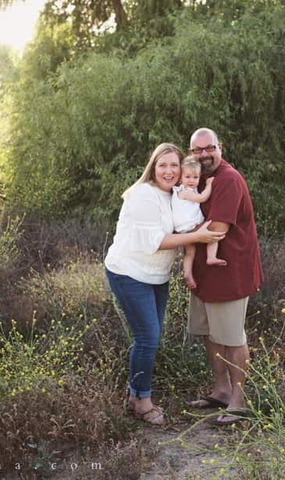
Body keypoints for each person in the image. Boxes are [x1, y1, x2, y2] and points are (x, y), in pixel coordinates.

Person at [105, 143, 226, 426]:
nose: (169, 171)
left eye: (174, 165)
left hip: (156, 275)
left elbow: (185, 221)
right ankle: (143, 403)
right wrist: (200, 238)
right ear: (153, 167)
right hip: (129, 272)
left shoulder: (173, 193)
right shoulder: (142, 195)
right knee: (148, 338)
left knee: (149, 338)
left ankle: (134, 396)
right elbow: (157, 241)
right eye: (163, 165)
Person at [185, 128, 264, 425]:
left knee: (231, 336)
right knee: (210, 333)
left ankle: (239, 401)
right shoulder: (196, 176)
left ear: (221, 147)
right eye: (198, 149)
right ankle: (221, 390)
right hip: (205, 274)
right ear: (191, 152)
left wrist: (176, 236)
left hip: (230, 271)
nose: (204, 154)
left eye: (210, 148)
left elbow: (218, 230)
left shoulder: (229, 179)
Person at [171, 155, 226, 290]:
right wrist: (209, 185)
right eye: (188, 177)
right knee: (212, 233)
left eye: (195, 177)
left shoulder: (182, 190)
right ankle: (211, 257)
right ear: (180, 178)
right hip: (190, 226)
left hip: (183, 230)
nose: (191, 181)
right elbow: (202, 198)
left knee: (190, 252)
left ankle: (188, 273)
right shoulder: (185, 192)